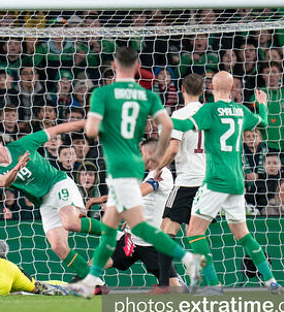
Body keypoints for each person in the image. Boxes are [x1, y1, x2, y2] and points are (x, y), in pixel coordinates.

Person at [68, 46, 202, 298]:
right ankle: (87, 282)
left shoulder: (102, 94)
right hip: (134, 168)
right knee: (117, 229)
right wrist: (157, 158)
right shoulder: (148, 96)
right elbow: (168, 125)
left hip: (121, 165)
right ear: (138, 67)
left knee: (119, 229)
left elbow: (91, 132)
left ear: (115, 67)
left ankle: (186, 258)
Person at [167, 70, 281, 294]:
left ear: (210, 89)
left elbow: (180, 127)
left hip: (216, 180)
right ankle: (270, 280)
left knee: (194, 232)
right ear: (232, 89)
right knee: (242, 233)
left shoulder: (209, 110)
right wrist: (262, 104)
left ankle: (214, 284)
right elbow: (265, 122)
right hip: (237, 182)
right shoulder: (241, 110)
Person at [0, 119, 108, 285]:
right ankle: (96, 284)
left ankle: (115, 233)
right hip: (43, 201)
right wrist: (16, 168)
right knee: (58, 247)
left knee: (70, 222)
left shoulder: (23, 145)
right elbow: (2, 182)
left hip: (58, 183)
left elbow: (58, 129)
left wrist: (89, 121)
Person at [107, 139, 184, 291]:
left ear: (149, 153)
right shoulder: (151, 174)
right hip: (133, 240)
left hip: (152, 244)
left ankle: (192, 307)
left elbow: (140, 192)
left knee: (173, 285)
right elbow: (146, 201)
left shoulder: (163, 174)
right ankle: (77, 284)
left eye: (140, 153)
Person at [155, 73, 206, 292]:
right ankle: (200, 277)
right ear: (203, 91)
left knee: (165, 232)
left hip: (188, 181)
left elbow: (174, 148)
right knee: (194, 233)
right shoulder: (210, 113)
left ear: (182, 89)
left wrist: (158, 168)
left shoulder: (180, 115)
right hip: (208, 183)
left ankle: (166, 285)